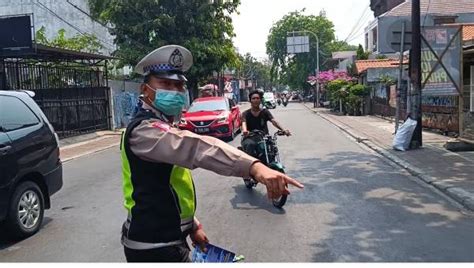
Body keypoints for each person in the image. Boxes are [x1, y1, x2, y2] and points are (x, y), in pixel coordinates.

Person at [120, 45, 304, 262]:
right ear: (145, 90)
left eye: (178, 85)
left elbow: (169, 188)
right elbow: (197, 147)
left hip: (168, 238)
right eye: (165, 84)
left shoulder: (162, 124)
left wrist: (193, 225)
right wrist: (255, 167)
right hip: (153, 245)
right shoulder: (144, 130)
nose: (173, 91)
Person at [241, 90, 291, 163]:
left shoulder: (265, 112)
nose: (255, 100)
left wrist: (283, 130)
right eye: (253, 98)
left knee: (271, 150)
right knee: (249, 146)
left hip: (264, 138)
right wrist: (245, 131)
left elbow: (274, 121)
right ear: (250, 101)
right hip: (250, 137)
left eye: (257, 98)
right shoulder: (245, 113)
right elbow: (243, 123)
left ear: (260, 100)